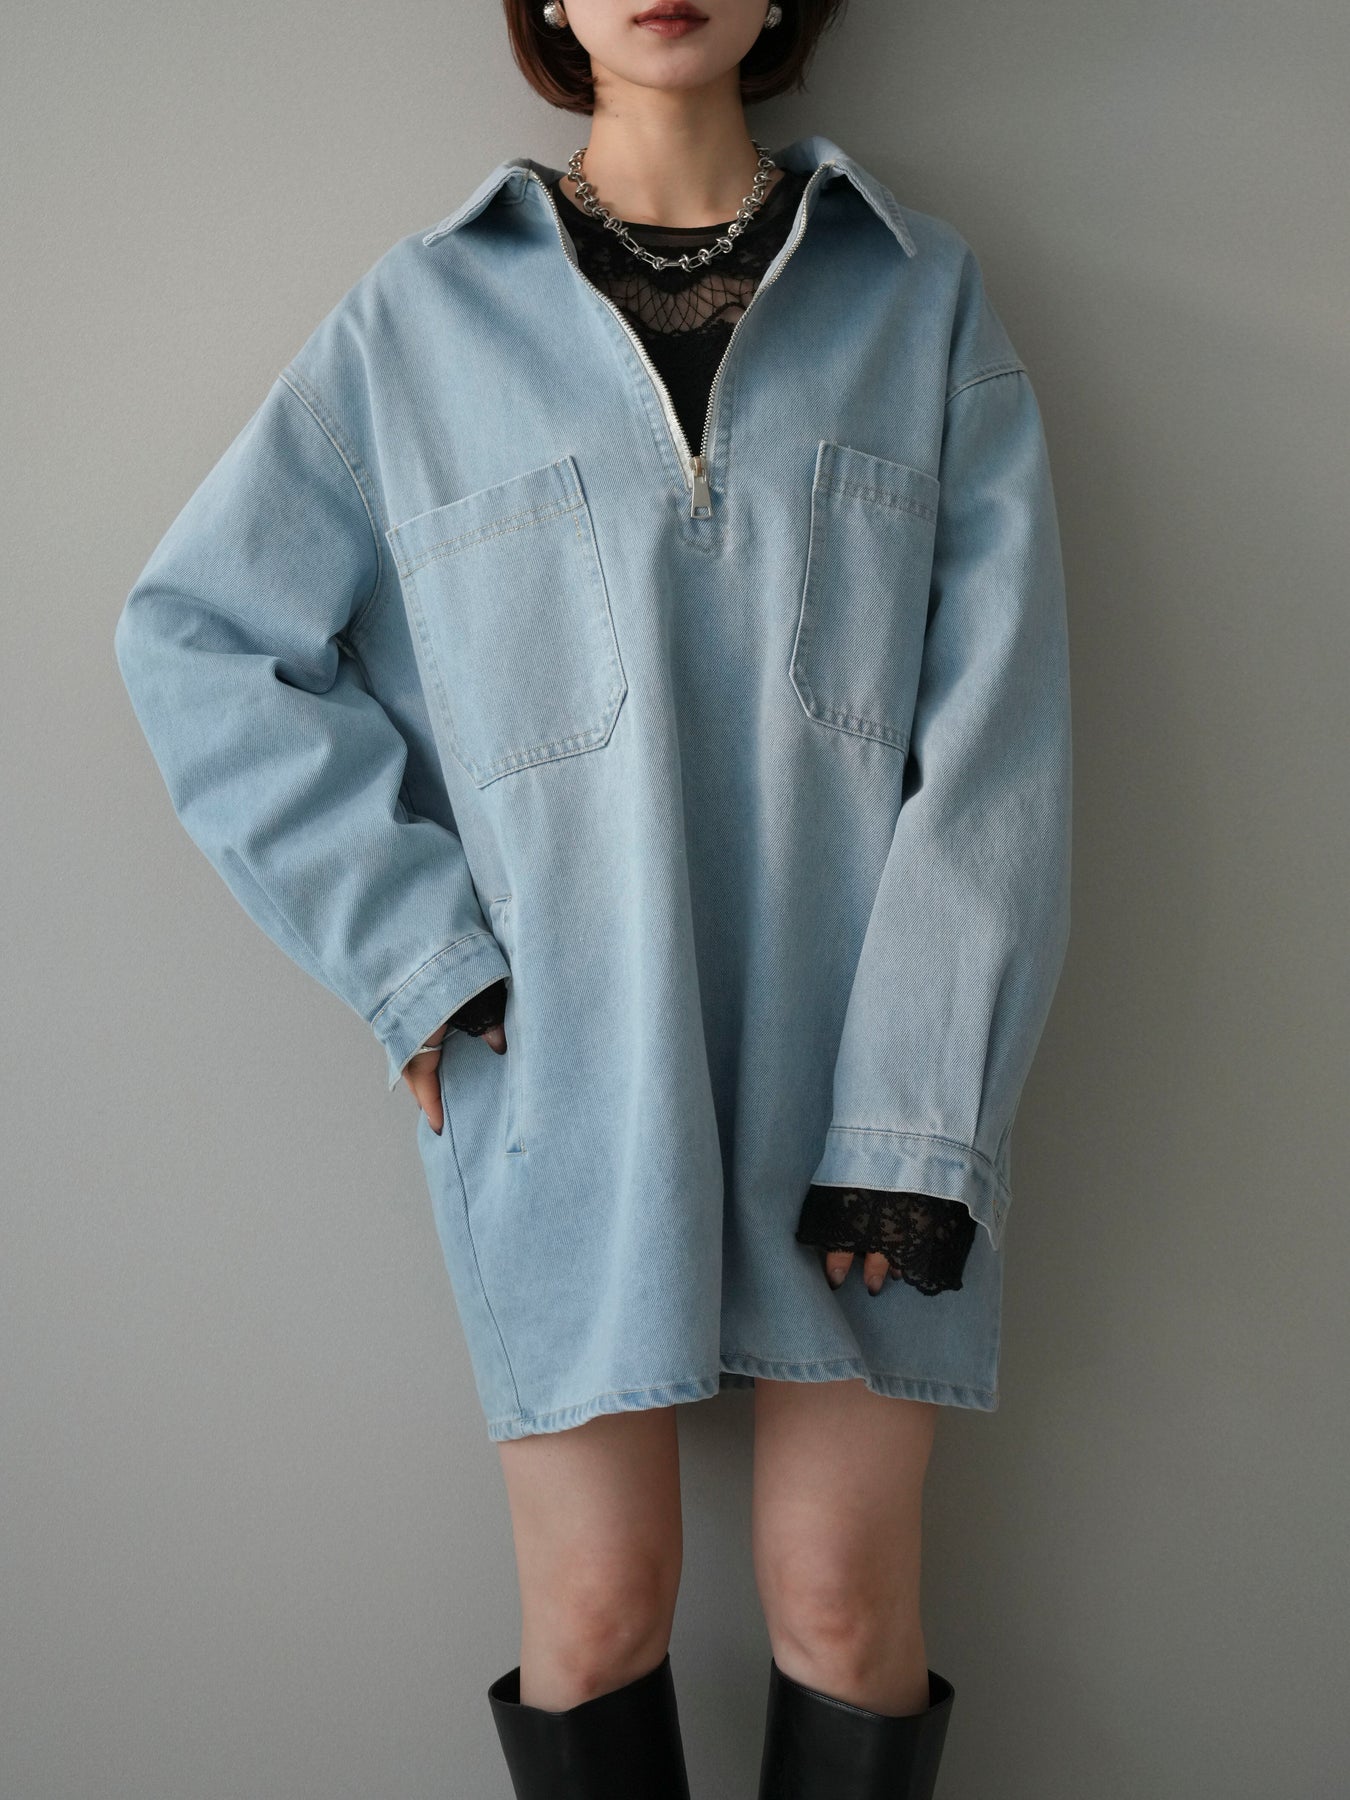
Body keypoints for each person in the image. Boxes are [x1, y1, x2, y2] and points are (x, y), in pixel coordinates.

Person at [113, 2, 1073, 1795]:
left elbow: (999, 748)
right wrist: (416, 961)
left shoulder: (917, 296)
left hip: (874, 1067)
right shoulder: (419, 320)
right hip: (564, 1063)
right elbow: (200, 639)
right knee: (600, 1607)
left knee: (842, 1608)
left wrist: (921, 1119)